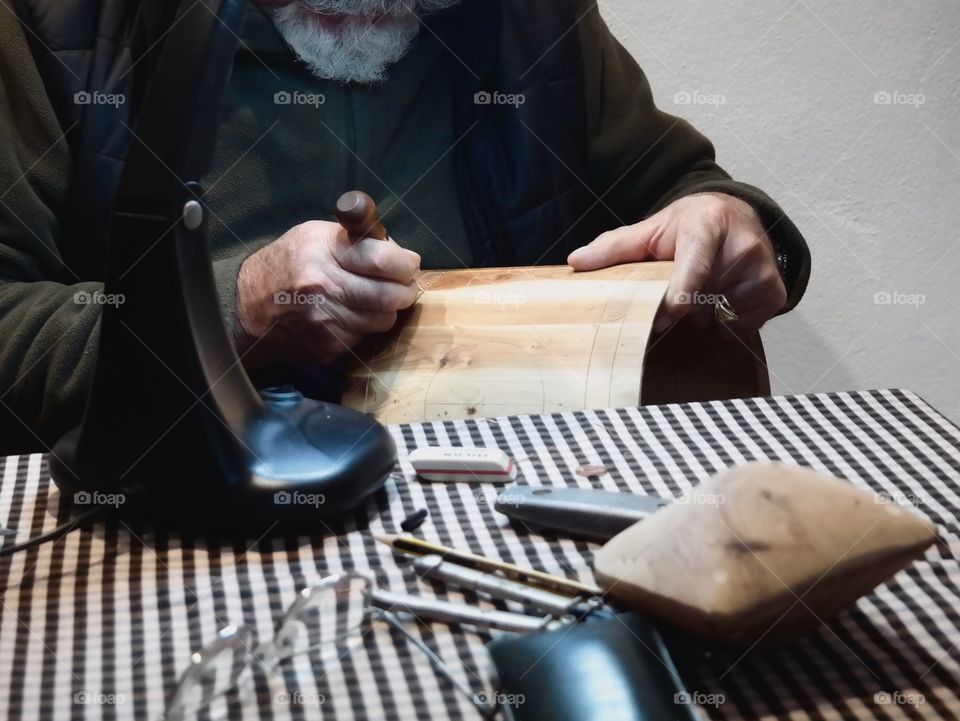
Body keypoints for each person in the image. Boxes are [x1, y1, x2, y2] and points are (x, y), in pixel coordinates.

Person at [0, 0, 810, 450]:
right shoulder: (64, 28)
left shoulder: (522, 22)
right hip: (166, 512)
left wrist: (738, 225)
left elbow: (685, 191)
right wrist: (232, 312)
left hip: (501, 498)